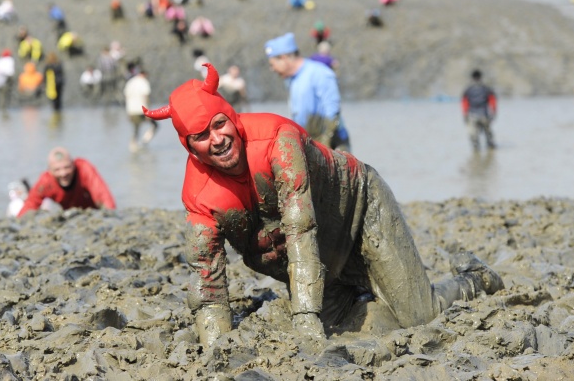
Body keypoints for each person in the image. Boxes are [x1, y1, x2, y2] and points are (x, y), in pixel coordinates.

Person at [142, 63, 504, 347]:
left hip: (359, 210)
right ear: (189, 147)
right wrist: (216, 348)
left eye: (219, 125)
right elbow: (208, 284)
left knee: (419, 316)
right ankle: (359, 291)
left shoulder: (277, 140)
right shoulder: (199, 197)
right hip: (316, 258)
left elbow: (300, 228)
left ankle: (475, 277)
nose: (217, 140)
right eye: (201, 136)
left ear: (231, 117)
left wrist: (305, 319)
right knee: (360, 328)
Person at [265, 32, 350, 151]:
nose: (272, 69)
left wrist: (324, 144)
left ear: (284, 58)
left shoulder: (319, 73)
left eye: (272, 64)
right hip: (310, 142)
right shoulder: (291, 80)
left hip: (333, 144)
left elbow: (332, 111)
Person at [18, 147, 115, 217]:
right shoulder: (46, 182)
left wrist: (110, 216)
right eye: (57, 169)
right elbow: (30, 205)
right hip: (70, 216)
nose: (63, 173)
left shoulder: (84, 169)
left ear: (73, 164)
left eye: (67, 167)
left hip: (93, 214)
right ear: (50, 171)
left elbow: (104, 196)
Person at [461, 69, 497, 151]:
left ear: (472, 78)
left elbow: (464, 103)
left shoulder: (468, 89)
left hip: (472, 115)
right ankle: (490, 150)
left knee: (474, 136)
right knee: (488, 135)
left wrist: (465, 115)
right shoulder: (486, 88)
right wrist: (494, 112)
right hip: (484, 115)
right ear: (481, 77)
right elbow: (492, 101)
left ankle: (476, 151)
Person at [124, 69, 157, 152]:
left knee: (136, 128)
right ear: (144, 74)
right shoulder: (144, 82)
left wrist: (128, 112)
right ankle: (144, 141)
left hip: (132, 110)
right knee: (155, 125)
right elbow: (145, 97)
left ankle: (133, 146)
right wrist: (148, 112)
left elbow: (126, 97)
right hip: (142, 109)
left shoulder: (130, 82)